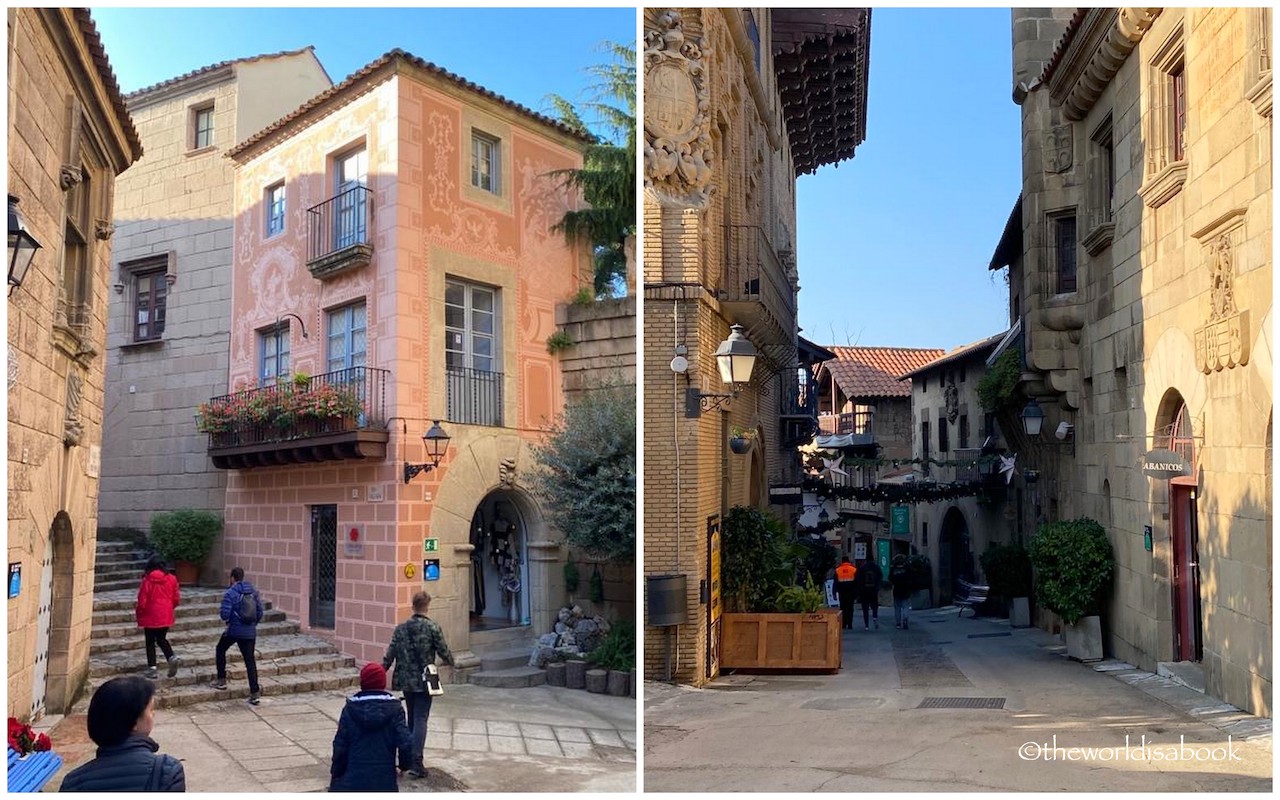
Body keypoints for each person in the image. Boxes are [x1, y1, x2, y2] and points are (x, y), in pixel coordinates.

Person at [59, 675, 186, 792]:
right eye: (151, 710)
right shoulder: (166, 771)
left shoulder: (73, 782)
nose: (153, 715)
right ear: (134, 721)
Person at [382, 591, 454, 779]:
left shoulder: (401, 629)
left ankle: (406, 759)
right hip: (425, 679)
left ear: (413, 606)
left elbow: (390, 653)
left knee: (411, 719)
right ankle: (416, 762)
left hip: (406, 679)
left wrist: (380, 670)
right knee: (421, 719)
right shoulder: (432, 627)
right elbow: (443, 650)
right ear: (427, 606)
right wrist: (451, 662)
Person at [329, 663, 413, 792]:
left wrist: (337, 772)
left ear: (363, 682)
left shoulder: (350, 709)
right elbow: (406, 743)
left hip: (353, 777)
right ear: (383, 683)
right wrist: (404, 765)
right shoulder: (395, 710)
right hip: (384, 779)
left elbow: (340, 745)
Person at [210, 567, 263, 705]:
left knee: (220, 649)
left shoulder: (230, 593)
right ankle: (255, 693)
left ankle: (221, 680)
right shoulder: (254, 592)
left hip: (234, 630)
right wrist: (252, 624)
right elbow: (260, 612)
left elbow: (224, 614)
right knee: (250, 660)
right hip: (250, 632)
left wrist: (231, 621)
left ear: (232, 578)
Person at [136, 556, 181, 679]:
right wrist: (170, 608)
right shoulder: (172, 579)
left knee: (150, 641)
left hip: (150, 614)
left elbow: (142, 600)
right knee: (161, 638)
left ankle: (152, 668)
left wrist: (139, 612)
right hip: (165, 613)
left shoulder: (147, 580)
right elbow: (176, 598)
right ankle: (171, 657)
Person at [854, 558, 882, 631]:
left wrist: (859, 591)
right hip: (873, 590)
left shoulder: (862, 568)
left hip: (864, 591)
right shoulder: (876, 567)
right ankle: (875, 617)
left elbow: (858, 580)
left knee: (865, 608)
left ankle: (866, 625)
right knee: (874, 605)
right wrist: (877, 587)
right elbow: (880, 577)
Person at [832, 557, 858, 630]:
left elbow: (835, 583)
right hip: (851, 592)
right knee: (850, 608)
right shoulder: (854, 569)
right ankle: (850, 624)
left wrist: (834, 593)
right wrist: (857, 593)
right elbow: (857, 583)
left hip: (842, 592)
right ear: (848, 561)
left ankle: (843, 624)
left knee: (843, 608)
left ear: (842, 561)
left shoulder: (837, 570)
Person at [889, 554, 913, 630]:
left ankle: (898, 623)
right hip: (906, 589)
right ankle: (905, 619)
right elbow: (911, 577)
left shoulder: (893, 569)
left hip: (897, 590)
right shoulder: (907, 568)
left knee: (897, 608)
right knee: (906, 606)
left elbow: (890, 578)